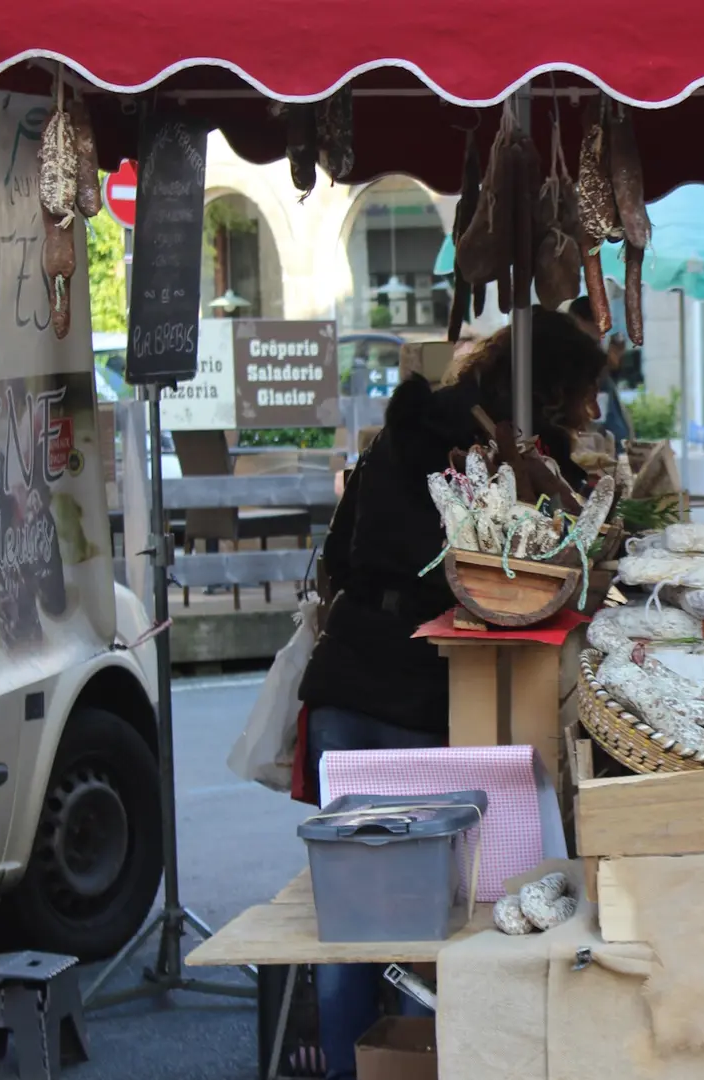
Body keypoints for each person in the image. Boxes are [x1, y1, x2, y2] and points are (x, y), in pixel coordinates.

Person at [297, 309, 607, 1078]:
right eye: (586, 394)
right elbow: (505, 577)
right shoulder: (477, 454)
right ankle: (415, 1060)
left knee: (348, 907)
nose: (592, 412)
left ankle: (353, 1066)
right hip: (417, 688)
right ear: (552, 388)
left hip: (349, 680)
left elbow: (340, 553)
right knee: (423, 907)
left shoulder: (406, 436)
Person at [568, 296, 631, 450]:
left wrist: (612, 366)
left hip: (612, 443)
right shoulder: (572, 357)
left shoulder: (598, 356)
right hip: (594, 447)